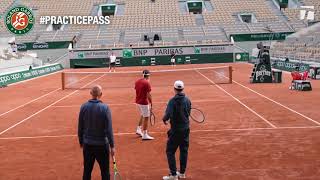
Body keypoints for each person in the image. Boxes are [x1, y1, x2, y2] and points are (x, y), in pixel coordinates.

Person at [78, 85, 115, 180]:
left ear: (91, 94)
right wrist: (112, 146)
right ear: (101, 94)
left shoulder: (83, 107)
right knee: (105, 171)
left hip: (87, 145)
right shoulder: (105, 108)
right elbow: (109, 130)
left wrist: (81, 142)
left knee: (87, 171)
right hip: (102, 146)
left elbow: (80, 127)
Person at [162, 80, 191, 180]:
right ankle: (182, 173)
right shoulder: (187, 100)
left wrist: (164, 119)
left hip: (175, 130)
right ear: (182, 89)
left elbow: (168, 114)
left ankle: (173, 175)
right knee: (184, 151)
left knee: (170, 151)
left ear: (174, 89)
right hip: (186, 129)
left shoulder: (172, 101)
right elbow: (189, 112)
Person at [135, 70, 154, 140]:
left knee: (143, 114)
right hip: (144, 102)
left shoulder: (137, 82)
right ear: (148, 75)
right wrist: (151, 103)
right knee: (146, 117)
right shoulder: (147, 83)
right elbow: (148, 94)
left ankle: (138, 129)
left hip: (138, 101)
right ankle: (145, 134)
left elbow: (137, 90)